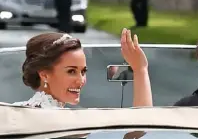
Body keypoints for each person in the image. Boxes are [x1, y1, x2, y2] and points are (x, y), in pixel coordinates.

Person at [12, 28, 152, 109]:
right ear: (45, 75)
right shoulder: (61, 119)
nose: (81, 81)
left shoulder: (19, 110)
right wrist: (140, 70)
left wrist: (140, 69)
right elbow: (142, 126)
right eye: (71, 71)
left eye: (83, 71)